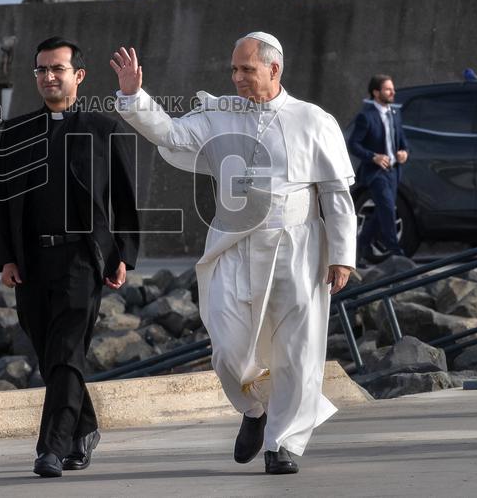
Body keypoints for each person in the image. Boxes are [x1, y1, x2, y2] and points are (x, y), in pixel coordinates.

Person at [110, 32, 356, 475]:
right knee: (227, 349)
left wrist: (342, 254)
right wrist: (134, 96)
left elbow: (336, 193)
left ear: (274, 69)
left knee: (296, 349)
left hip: (298, 246)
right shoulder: (219, 112)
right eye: (234, 69)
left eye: (247, 69)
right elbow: (172, 134)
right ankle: (254, 410)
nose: (237, 77)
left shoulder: (314, 120)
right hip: (234, 244)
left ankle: (283, 444)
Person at [0, 36, 140, 478]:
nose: (48, 77)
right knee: (50, 353)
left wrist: (124, 256)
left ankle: (51, 449)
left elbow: (126, 199)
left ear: (78, 75)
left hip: (82, 259)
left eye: (57, 69)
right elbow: (0, 201)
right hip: (31, 262)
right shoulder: (14, 133)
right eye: (41, 70)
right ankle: (86, 427)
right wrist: (6, 259)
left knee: (66, 349)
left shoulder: (103, 128)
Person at [348, 74, 409, 264]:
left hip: (393, 171)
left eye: (392, 88)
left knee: (384, 209)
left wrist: (404, 152)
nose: (393, 92)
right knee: (387, 208)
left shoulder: (394, 113)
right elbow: (353, 144)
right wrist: (373, 157)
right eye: (388, 89)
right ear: (376, 92)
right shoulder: (365, 117)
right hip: (376, 173)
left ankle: (360, 246)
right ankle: (395, 250)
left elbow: (402, 141)